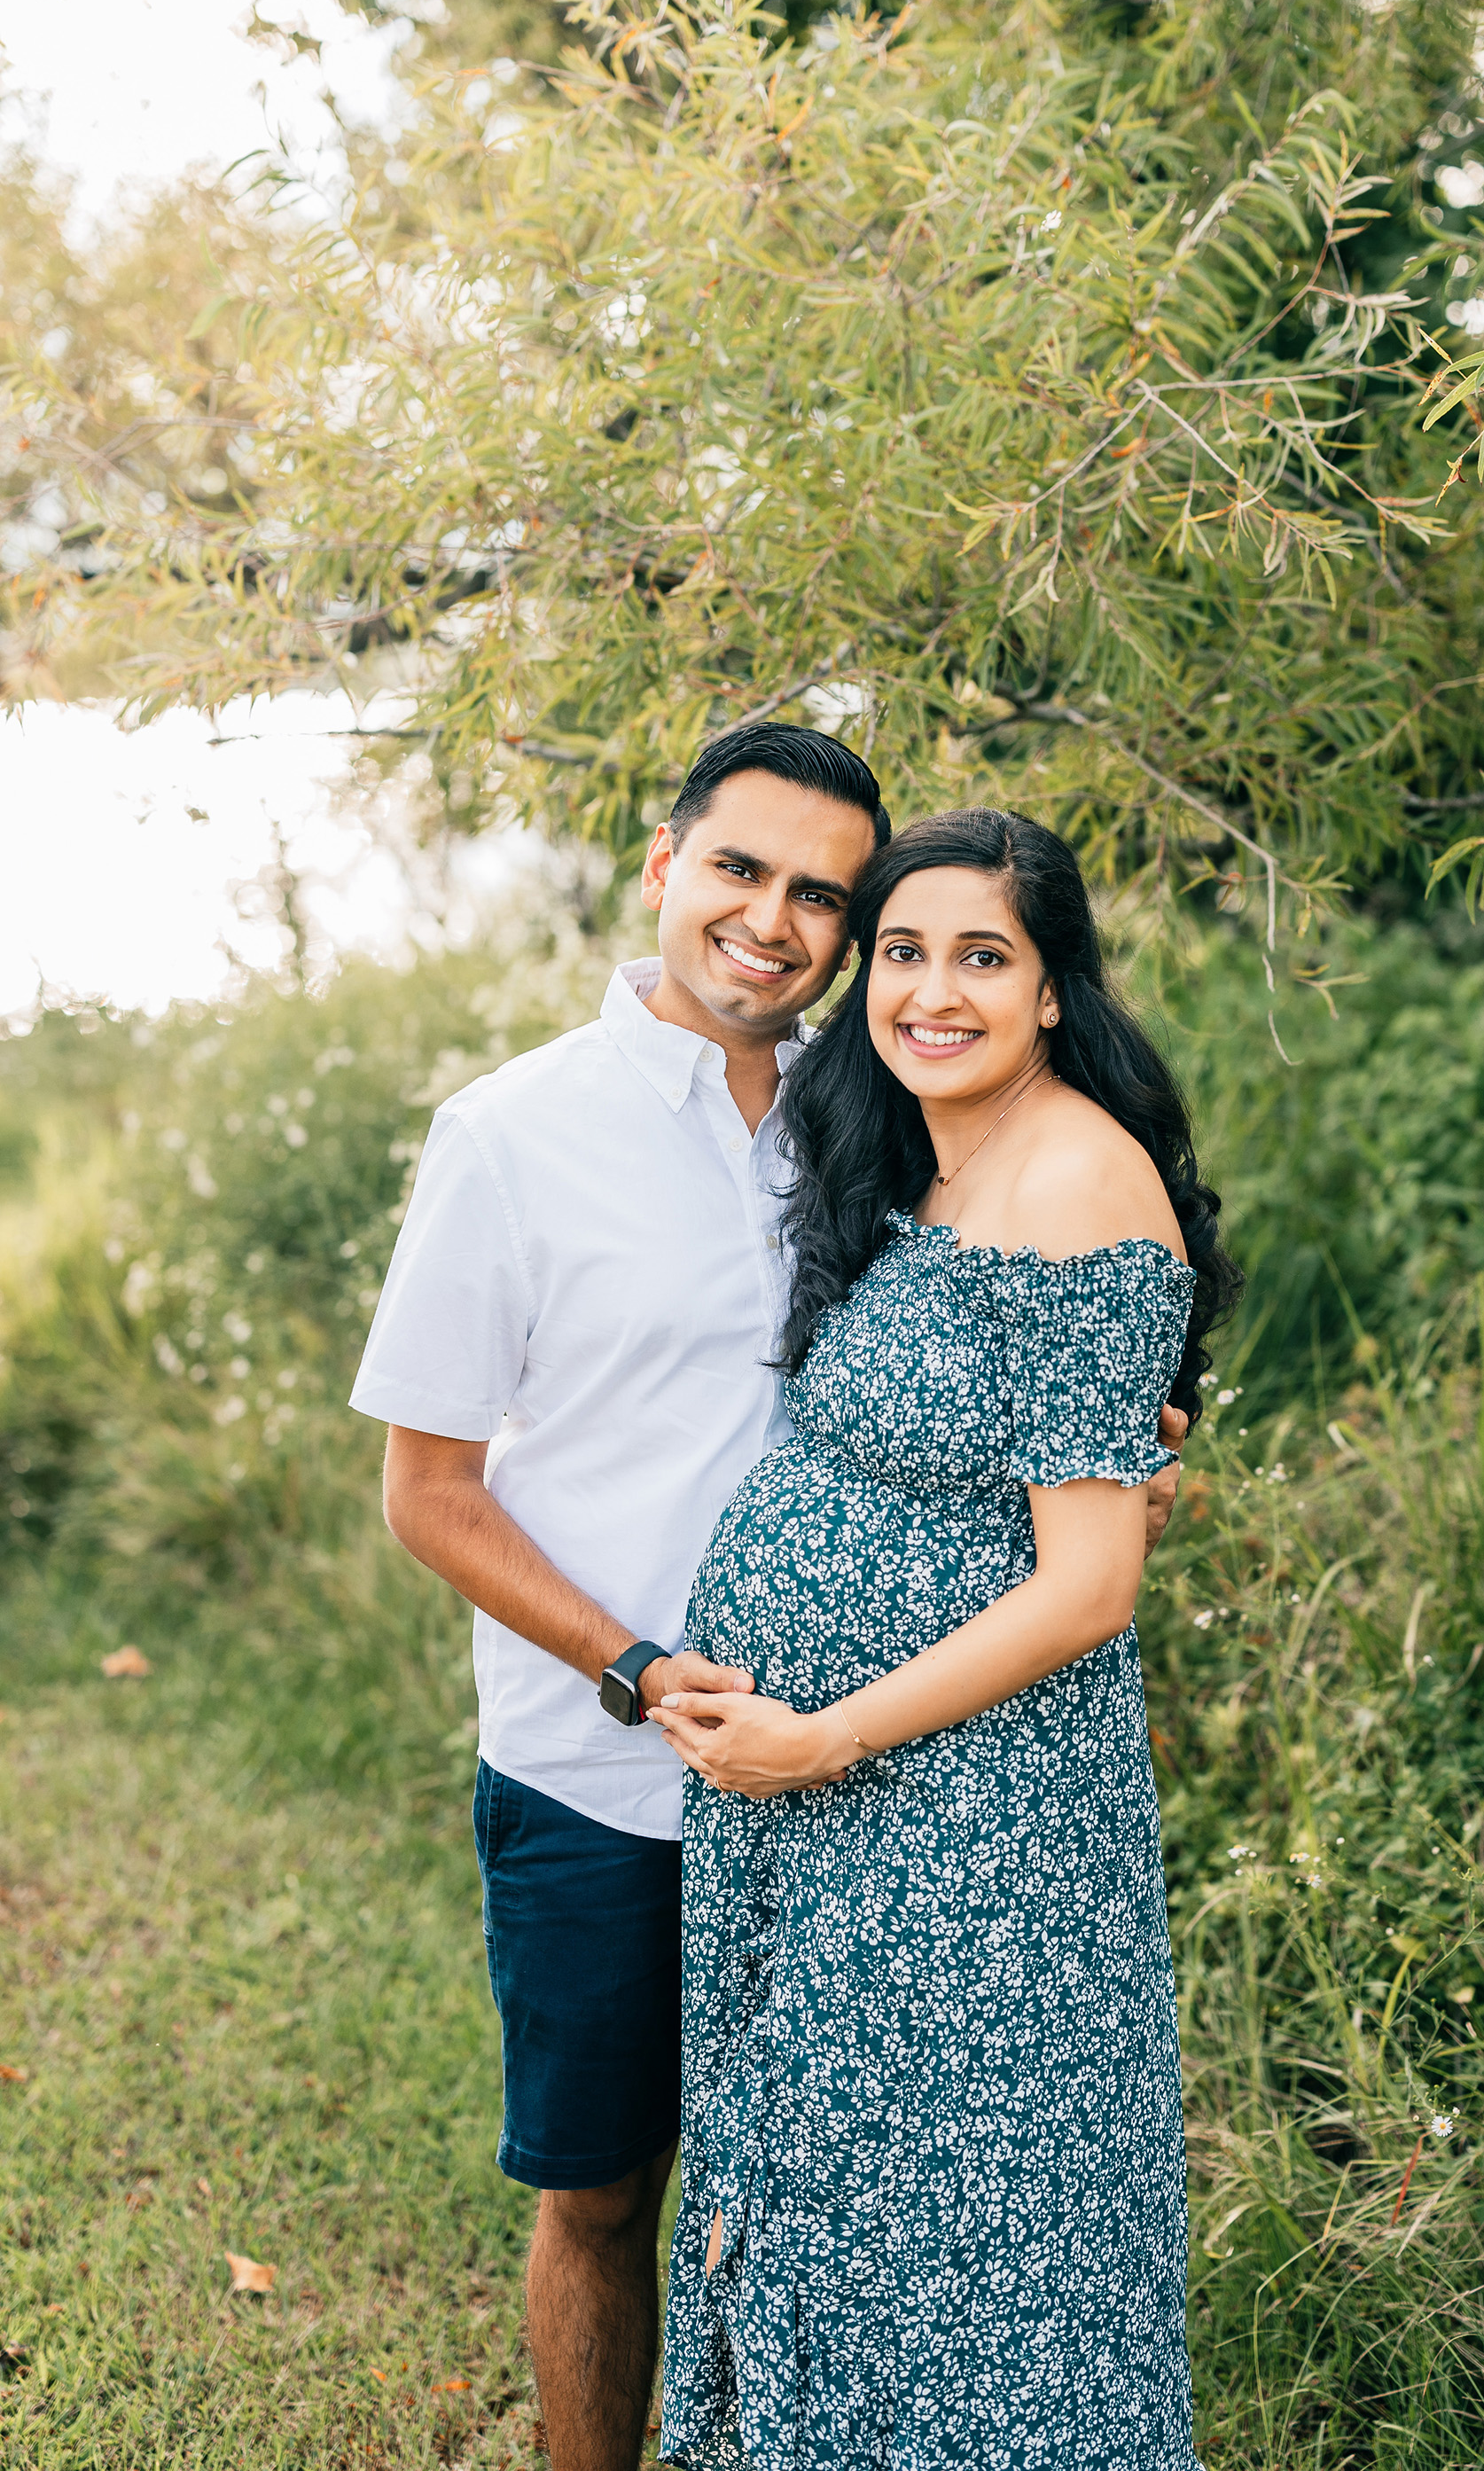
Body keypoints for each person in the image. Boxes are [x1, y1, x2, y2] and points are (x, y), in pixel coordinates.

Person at [348, 731, 1188, 2471]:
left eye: (826, 895)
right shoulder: (510, 1135)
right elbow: (430, 1493)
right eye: (742, 870)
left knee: (828, 2215)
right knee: (601, 2200)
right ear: (665, 866)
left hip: (868, 1795)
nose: (774, 920)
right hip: (606, 1771)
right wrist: (639, 1669)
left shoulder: (876, 1116)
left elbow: (1024, 1358)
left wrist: (1130, 1432)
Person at [652, 807, 1240, 2471]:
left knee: (971, 2246)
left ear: (1055, 988)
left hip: (966, 1826)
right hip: (845, 1807)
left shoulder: (1080, 1178)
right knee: (848, 2218)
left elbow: (1088, 1584)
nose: (933, 991)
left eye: (983, 957)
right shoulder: (930, 1153)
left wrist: (823, 1736)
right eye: (903, 951)